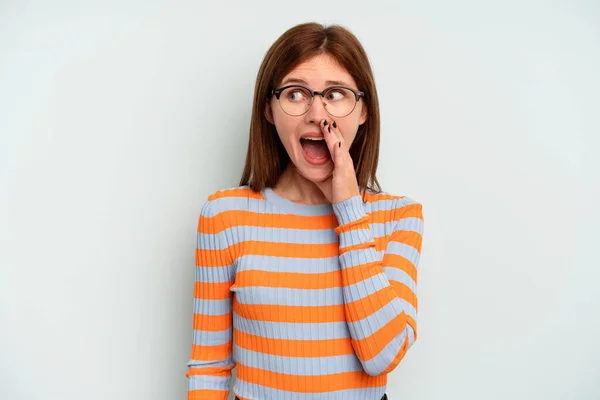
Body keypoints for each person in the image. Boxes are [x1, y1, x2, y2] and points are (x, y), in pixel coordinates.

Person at [185, 22, 424, 400]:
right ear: (269, 108)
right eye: (296, 94)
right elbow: (209, 369)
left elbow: (382, 355)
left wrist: (348, 209)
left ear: (363, 111)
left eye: (336, 94)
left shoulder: (399, 218)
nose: (317, 113)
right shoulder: (224, 217)